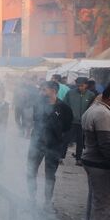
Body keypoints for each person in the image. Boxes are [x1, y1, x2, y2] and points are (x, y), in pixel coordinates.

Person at [27, 80, 73, 209]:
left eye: (44, 90)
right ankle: (31, 198)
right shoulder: (38, 104)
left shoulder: (64, 108)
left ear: (53, 91)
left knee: (50, 175)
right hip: (36, 144)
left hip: (53, 146)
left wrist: (58, 138)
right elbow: (35, 121)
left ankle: (47, 201)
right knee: (30, 171)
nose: (41, 92)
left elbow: (67, 127)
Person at [80, 84, 110, 220]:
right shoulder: (103, 114)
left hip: (91, 161)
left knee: (93, 201)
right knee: (102, 205)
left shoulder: (93, 109)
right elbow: (106, 145)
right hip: (101, 165)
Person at [64, 77, 96, 162]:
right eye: (78, 85)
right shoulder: (70, 93)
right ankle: (61, 157)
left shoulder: (91, 95)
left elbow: (92, 108)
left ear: (86, 85)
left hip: (83, 123)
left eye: (81, 86)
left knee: (80, 142)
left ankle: (78, 159)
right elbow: (64, 106)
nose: (79, 87)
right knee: (66, 140)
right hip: (71, 122)